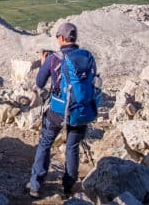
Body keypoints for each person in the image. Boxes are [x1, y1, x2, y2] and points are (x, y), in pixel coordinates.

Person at [27, 22, 97, 198]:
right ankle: (68, 187)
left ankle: (35, 185)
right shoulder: (87, 57)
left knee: (45, 143)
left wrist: (45, 63)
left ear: (61, 38)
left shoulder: (54, 58)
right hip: (80, 109)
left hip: (58, 110)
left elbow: (40, 82)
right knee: (72, 147)